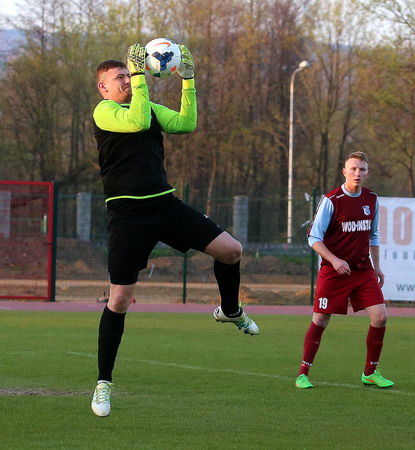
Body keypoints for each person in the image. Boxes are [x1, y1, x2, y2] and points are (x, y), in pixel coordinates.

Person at [90, 43, 259, 417]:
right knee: (119, 300)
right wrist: (140, 76)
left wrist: (188, 80)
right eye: (119, 77)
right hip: (128, 215)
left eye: (128, 74)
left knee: (232, 250)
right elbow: (136, 121)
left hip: (165, 206)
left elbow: (186, 124)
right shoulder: (104, 111)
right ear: (103, 87)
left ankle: (230, 310)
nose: (127, 80)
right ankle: (103, 383)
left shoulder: (147, 106)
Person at [295, 151, 394, 389]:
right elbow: (313, 238)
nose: (357, 173)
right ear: (344, 172)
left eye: (362, 169)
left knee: (380, 317)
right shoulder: (332, 200)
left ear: (367, 173)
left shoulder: (371, 198)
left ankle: (370, 372)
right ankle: (303, 374)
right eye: (353, 169)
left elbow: (373, 235)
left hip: (362, 270)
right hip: (334, 271)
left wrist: (377, 267)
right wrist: (335, 260)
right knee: (321, 319)